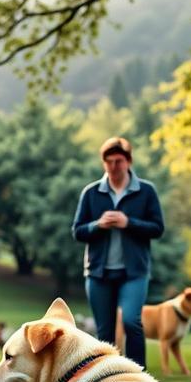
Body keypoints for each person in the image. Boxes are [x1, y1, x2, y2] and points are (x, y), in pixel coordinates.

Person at [72, 136, 164, 369]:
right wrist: (98, 225)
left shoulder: (146, 191)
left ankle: (139, 376)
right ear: (104, 163)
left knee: (132, 321)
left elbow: (157, 228)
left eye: (119, 161)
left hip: (134, 272)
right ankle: (108, 378)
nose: (114, 166)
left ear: (129, 162)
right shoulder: (92, 193)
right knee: (105, 332)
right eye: (109, 161)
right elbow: (78, 231)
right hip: (98, 273)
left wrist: (128, 222)